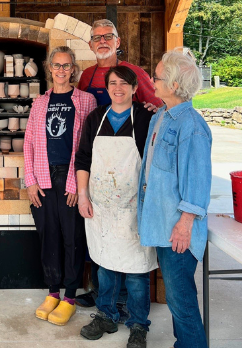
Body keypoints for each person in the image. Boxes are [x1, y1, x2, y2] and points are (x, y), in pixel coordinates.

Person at [76, 19, 162, 310]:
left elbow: (159, 107)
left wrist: (151, 108)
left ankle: (127, 304)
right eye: (97, 37)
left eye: (108, 36)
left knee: (131, 245)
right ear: (90, 44)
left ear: (118, 40)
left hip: (130, 179)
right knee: (101, 244)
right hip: (99, 173)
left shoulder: (136, 73)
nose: (102, 41)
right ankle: (104, 297)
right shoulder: (86, 75)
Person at [138, 49, 211, 348]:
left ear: (174, 84)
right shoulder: (162, 116)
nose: (152, 80)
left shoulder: (191, 126)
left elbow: (197, 181)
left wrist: (185, 223)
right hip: (163, 223)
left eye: (157, 77)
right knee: (178, 303)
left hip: (177, 231)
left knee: (182, 305)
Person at [24, 46, 96, 326]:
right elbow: (29, 143)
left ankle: (69, 296)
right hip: (42, 178)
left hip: (72, 178)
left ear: (73, 69)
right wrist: (30, 181)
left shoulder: (86, 100)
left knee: (73, 238)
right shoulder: (40, 103)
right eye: (57, 65)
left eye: (67, 66)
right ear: (49, 68)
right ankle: (52, 292)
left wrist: (77, 185)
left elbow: (87, 146)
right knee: (48, 235)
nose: (62, 70)